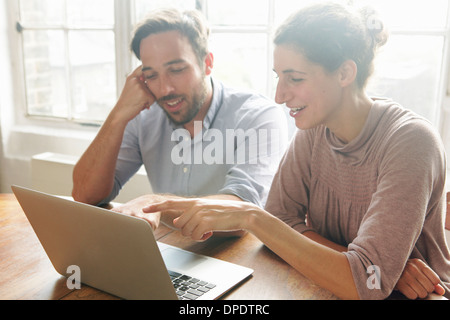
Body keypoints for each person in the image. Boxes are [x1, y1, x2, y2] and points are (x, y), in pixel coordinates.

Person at [143, 3, 450, 300]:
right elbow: (283, 221)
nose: (279, 95)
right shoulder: (315, 128)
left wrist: (253, 217)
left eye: (295, 78)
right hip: (332, 287)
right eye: (279, 76)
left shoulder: (411, 142)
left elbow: (363, 284)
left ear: (345, 73)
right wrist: (369, 267)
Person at [72, 8, 288, 233]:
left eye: (176, 70)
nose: (165, 89)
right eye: (151, 75)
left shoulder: (258, 116)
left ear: (207, 63)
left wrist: (155, 204)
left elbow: (243, 211)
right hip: (172, 249)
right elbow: (85, 195)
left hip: (239, 257)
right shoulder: (143, 115)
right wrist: (118, 116)